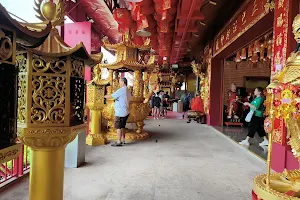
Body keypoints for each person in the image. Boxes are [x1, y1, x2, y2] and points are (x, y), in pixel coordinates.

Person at [104, 77, 131, 147]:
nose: (119, 83)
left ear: (123, 82)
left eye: (120, 82)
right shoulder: (127, 90)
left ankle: (119, 141)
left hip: (120, 112)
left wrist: (103, 96)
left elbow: (111, 96)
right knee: (122, 126)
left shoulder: (122, 90)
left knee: (118, 127)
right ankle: (123, 140)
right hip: (126, 111)